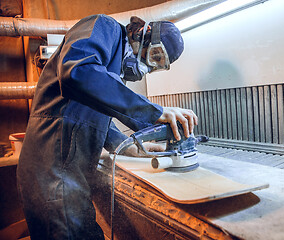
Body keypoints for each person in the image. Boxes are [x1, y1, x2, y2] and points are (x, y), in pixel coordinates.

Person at [17, 14, 197, 239]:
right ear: (141, 32)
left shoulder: (110, 72)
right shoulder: (105, 27)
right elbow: (77, 71)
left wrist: (130, 146)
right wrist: (154, 112)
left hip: (68, 175)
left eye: (157, 65)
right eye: (154, 55)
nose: (148, 67)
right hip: (52, 172)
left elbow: (90, 119)